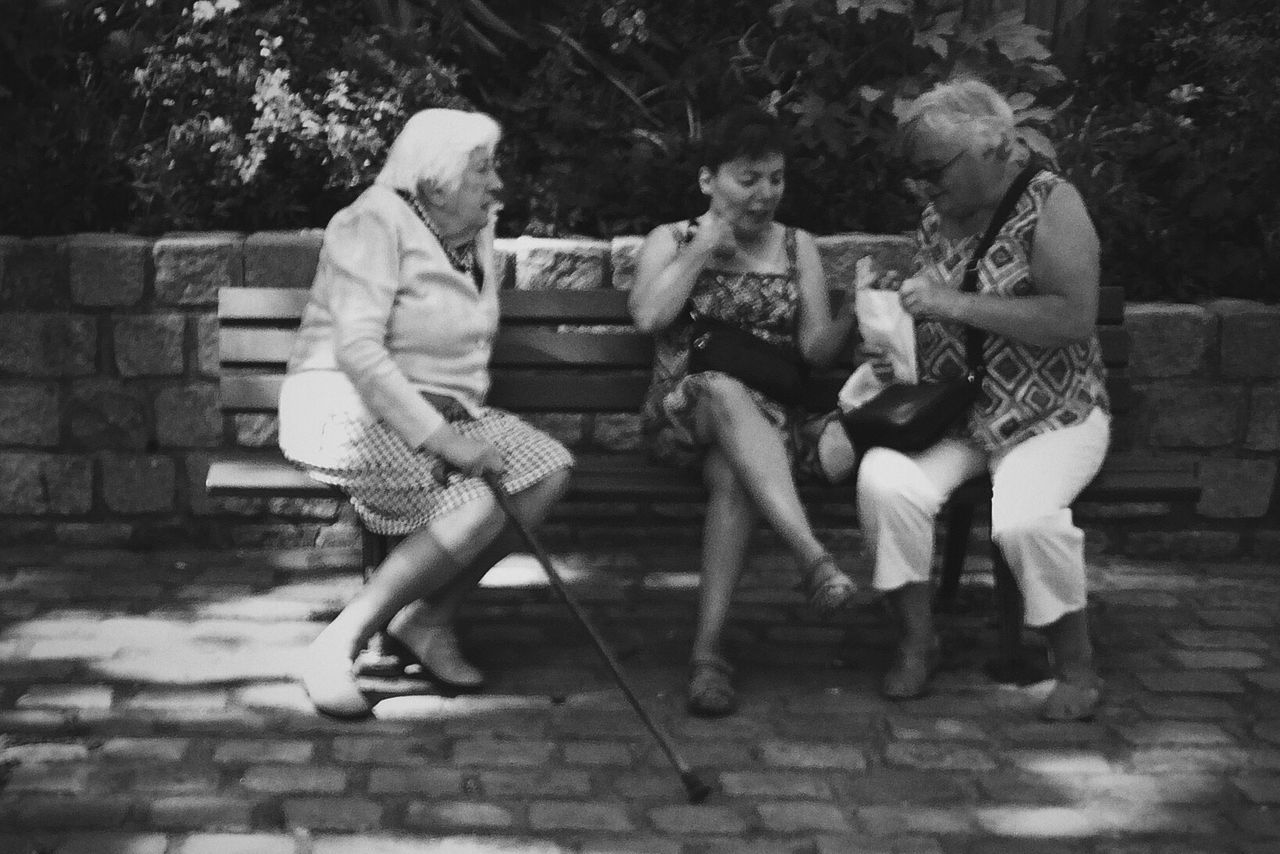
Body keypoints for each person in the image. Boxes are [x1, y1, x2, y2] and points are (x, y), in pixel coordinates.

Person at [277, 108, 574, 718]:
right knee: (481, 496)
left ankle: (429, 621)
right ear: (435, 183)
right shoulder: (374, 220)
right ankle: (340, 642)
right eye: (483, 172)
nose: (498, 186)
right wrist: (443, 439)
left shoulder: (474, 232)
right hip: (344, 404)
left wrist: (452, 423)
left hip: (439, 410)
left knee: (545, 472)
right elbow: (357, 349)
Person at [854, 78, 1110, 720]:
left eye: (933, 171)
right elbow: (943, 317)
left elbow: (1072, 318)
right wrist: (896, 340)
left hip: (1052, 414)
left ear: (994, 146)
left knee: (1024, 518)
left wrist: (952, 302)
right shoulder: (936, 214)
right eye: (914, 175)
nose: (922, 187)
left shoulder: (1054, 204)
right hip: (960, 416)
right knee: (885, 481)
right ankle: (919, 643)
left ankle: (1075, 669)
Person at [629, 106, 861, 717]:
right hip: (684, 414)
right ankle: (811, 555)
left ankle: (708, 657)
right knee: (722, 389)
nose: (765, 195)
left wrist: (856, 311)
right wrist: (705, 246)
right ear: (709, 180)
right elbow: (649, 317)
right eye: (749, 179)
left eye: (776, 179)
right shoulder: (672, 238)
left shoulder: (797, 246)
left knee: (732, 475)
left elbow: (813, 350)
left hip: (766, 429)